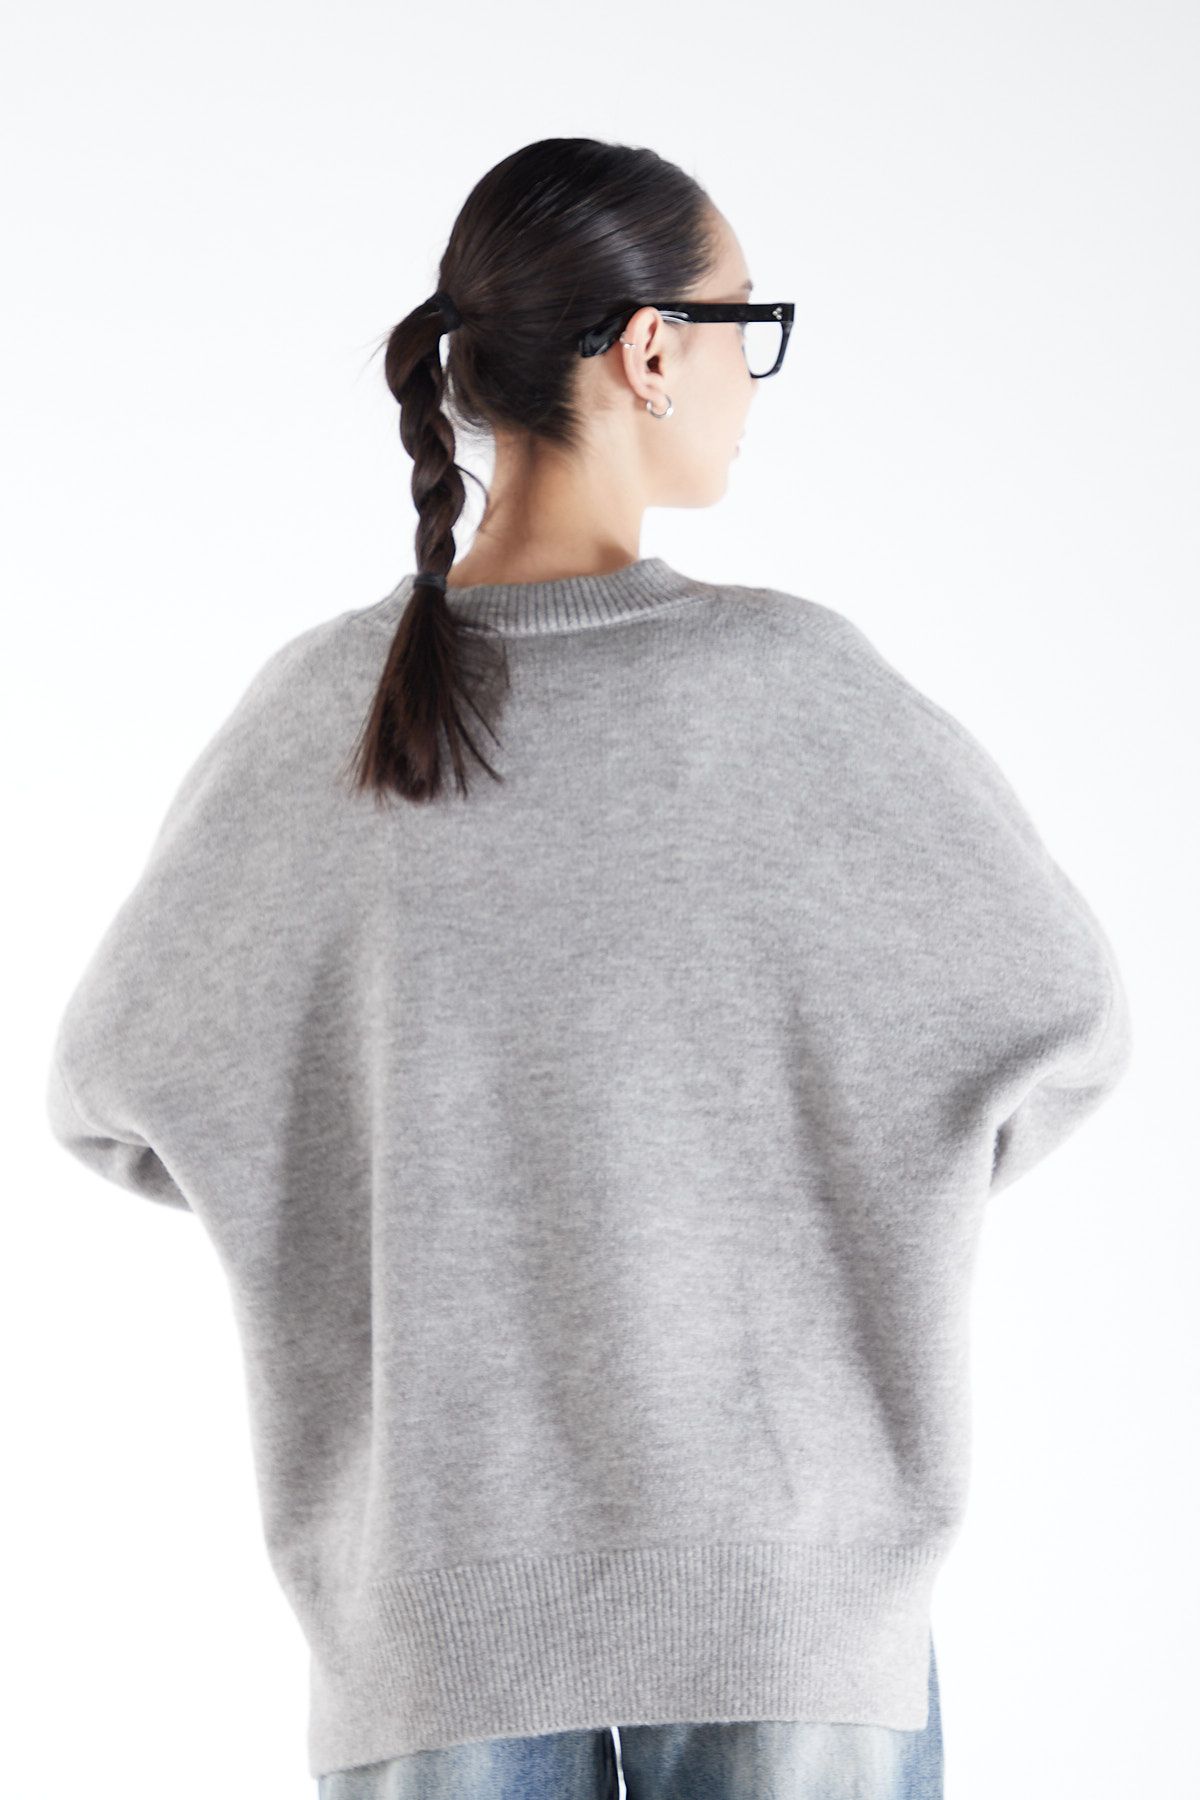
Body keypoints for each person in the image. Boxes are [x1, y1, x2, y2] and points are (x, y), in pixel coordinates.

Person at [45, 137, 1131, 1800]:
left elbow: (117, 1087)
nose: (753, 380)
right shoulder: (798, 692)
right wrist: (826, 1208)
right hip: (792, 1591)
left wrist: (382, 1217)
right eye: (745, 323)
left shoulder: (324, 714)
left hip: (436, 1613)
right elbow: (1063, 1017)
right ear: (648, 351)